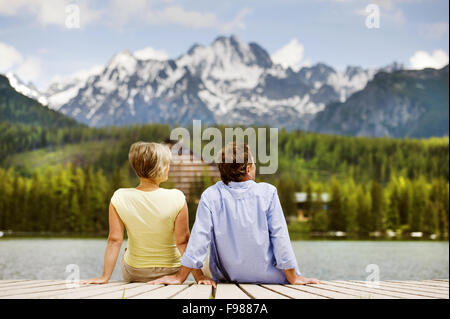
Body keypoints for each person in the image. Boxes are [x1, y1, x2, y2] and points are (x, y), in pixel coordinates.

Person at [150, 143, 319, 285]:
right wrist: (293, 277)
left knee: (208, 258)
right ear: (247, 169)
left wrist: (180, 277)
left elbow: (198, 240)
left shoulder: (211, 195)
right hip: (270, 277)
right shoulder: (268, 192)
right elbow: (279, 237)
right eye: (253, 163)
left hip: (228, 277)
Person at [82, 142, 214, 285]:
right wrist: (198, 276)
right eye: (167, 164)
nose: (169, 167)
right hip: (171, 271)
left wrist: (104, 277)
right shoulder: (177, 197)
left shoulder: (120, 197)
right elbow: (183, 242)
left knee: (127, 250)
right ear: (161, 168)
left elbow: (114, 240)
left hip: (135, 272)